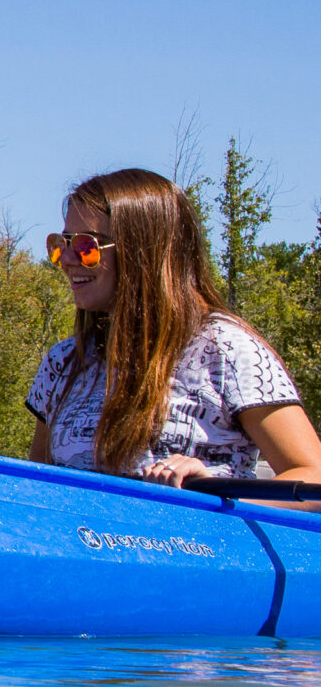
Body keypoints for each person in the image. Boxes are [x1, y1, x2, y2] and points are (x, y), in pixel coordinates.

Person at [27, 167, 321, 488]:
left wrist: (210, 495)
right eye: (61, 243)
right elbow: (39, 484)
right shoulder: (64, 362)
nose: (67, 259)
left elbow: (313, 478)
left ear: (143, 251)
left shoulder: (227, 350)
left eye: (86, 246)